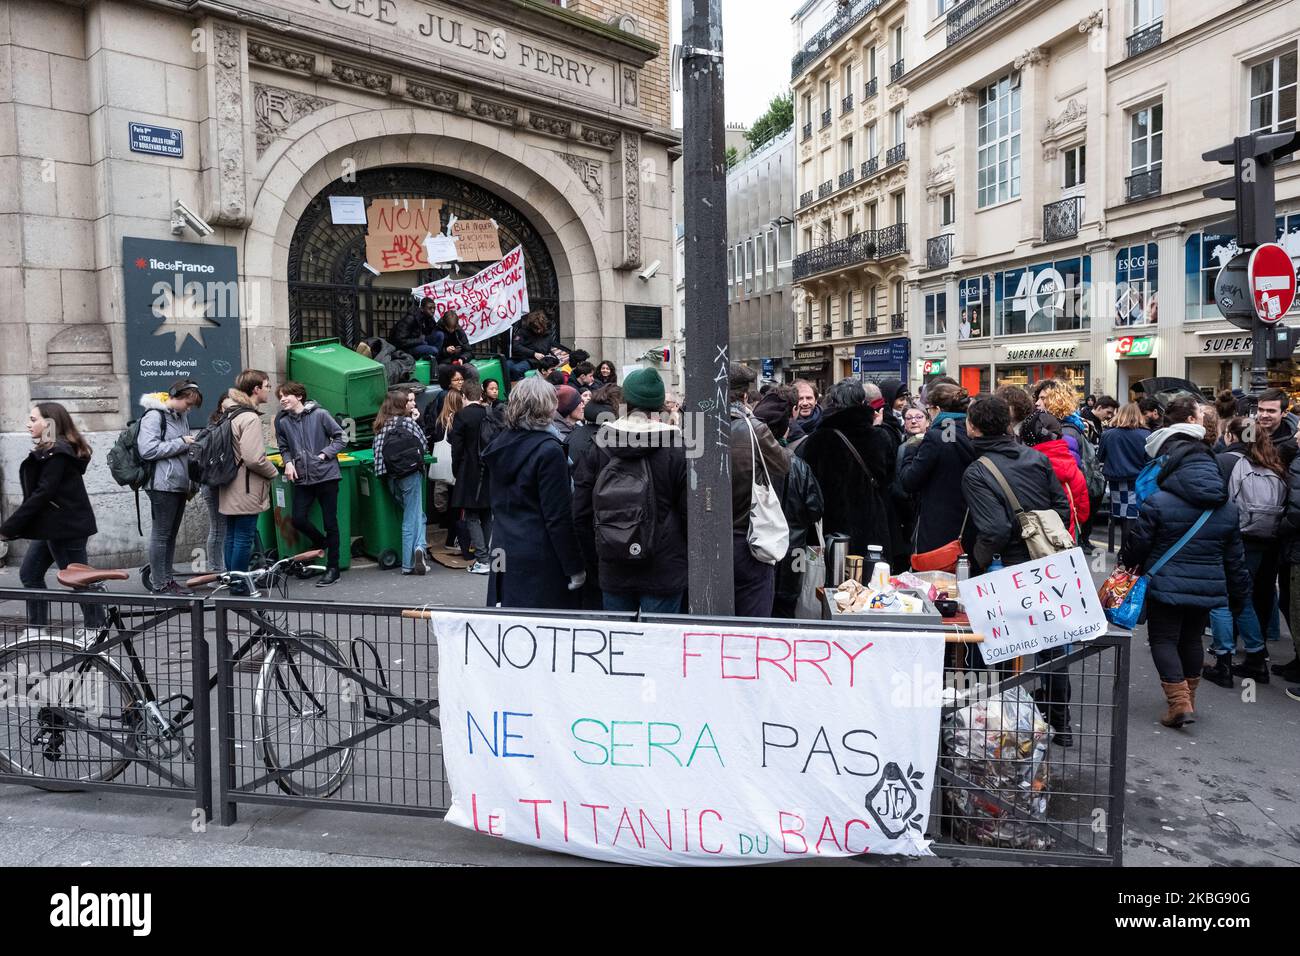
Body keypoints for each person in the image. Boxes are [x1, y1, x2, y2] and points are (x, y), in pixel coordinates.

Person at [1119, 396, 1251, 728]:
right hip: (1207, 584)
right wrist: (1238, 596)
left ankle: (1179, 702)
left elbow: (1136, 546)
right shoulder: (1227, 509)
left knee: (1163, 639)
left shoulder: (1159, 502)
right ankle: (1188, 699)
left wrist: (1126, 563)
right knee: (1192, 640)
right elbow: (1235, 559)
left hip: (1165, 581)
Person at [573, 367, 687, 613]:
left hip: (614, 565)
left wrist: (598, 557)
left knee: (619, 648)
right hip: (664, 568)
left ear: (624, 402)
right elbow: (690, 515)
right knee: (658, 645)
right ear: (659, 406)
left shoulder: (600, 445)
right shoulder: (677, 449)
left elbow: (581, 512)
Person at [481, 376, 585, 608]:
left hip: (503, 547)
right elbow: (558, 517)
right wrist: (574, 566)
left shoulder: (500, 444)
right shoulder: (549, 451)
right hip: (540, 556)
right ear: (548, 407)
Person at [0, 403, 103, 630]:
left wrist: (8, 527)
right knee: (30, 573)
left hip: (67, 528)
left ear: (49, 423)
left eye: (33, 419)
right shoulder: (52, 451)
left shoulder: (58, 454)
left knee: (78, 581)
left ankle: (97, 629)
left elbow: (42, 494)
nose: (28, 424)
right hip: (52, 527)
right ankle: (36, 629)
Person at [1203, 417, 1286, 686]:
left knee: (1222, 598)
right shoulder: (1274, 463)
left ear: (1231, 436)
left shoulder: (1227, 461)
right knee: (1244, 598)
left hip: (1232, 538)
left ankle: (1223, 662)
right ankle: (1256, 658)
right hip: (1264, 541)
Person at [960, 394, 1070, 574]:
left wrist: (978, 560)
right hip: (1047, 558)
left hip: (1006, 565)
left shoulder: (976, 472)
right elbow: (1061, 507)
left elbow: (996, 530)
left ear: (972, 426)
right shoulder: (1037, 457)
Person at [797, 378, 896, 566]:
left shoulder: (817, 440)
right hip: (872, 528)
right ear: (862, 402)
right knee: (871, 585)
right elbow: (889, 479)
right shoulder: (880, 437)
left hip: (832, 533)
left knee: (836, 587)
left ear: (833, 403)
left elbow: (807, 488)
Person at [753, 389, 825, 618]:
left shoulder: (748, 459)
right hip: (792, 552)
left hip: (755, 550)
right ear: (786, 427)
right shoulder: (798, 465)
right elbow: (815, 510)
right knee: (785, 611)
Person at [729, 364, 790, 616]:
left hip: (705, 541)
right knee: (753, 622)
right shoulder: (754, 428)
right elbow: (783, 465)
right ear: (745, 395)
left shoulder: (694, 426)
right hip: (748, 538)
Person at [274, 382, 347, 587]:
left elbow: (341, 438)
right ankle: (321, 543)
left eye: (286, 395)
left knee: (330, 523)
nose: (282, 399)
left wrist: (325, 454)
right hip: (302, 478)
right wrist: (288, 462)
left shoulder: (320, 414)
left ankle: (333, 568)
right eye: (279, 396)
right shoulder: (284, 422)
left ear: (299, 396)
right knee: (297, 519)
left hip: (326, 476)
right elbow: (283, 446)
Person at [138, 379, 202, 595]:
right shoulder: (154, 416)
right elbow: (147, 450)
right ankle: (160, 584)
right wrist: (182, 442)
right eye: (188, 403)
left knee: (170, 535)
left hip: (177, 483)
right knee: (161, 535)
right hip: (161, 484)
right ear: (175, 396)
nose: (189, 408)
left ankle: (167, 580)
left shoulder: (180, 416)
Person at [898, 383, 975, 557]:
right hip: (969, 523)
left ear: (937, 409)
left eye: (929, 409)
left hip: (937, 526)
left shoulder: (936, 436)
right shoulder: (974, 432)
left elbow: (909, 480)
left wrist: (911, 448)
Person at [217, 370, 278, 577]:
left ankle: (232, 580)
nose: (269, 390)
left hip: (229, 484)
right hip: (246, 486)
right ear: (256, 389)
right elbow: (254, 458)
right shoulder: (249, 417)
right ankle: (240, 584)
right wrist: (273, 472)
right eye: (267, 386)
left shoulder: (230, 413)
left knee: (232, 536)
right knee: (244, 537)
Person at [373, 388, 430, 576]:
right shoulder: (407, 423)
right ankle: (409, 561)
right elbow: (423, 444)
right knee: (411, 518)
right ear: (400, 405)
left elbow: (378, 456)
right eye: (407, 402)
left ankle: (419, 547)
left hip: (390, 476)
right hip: (411, 474)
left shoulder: (380, 425)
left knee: (416, 515)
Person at [1020, 411, 1090, 540]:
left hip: (1035, 541)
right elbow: (1083, 513)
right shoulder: (1073, 466)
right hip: (1066, 539)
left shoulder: (1026, 467)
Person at [449, 380, 493, 575]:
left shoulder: (462, 416)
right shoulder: (489, 414)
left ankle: (482, 559)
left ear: (464, 396)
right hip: (490, 469)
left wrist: (456, 470)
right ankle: (487, 557)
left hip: (470, 470)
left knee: (472, 515)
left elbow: (456, 448)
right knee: (486, 514)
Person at [1098, 402, 1151, 551]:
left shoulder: (1108, 434)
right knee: (1134, 515)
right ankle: (1128, 550)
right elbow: (1150, 459)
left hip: (1116, 480)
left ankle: (1123, 551)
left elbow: (1100, 457)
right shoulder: (1147, 435)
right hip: (1140, 480)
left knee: (1123, 515)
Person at [431, 387, 466, 556]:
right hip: (453, 467)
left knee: (446, 501)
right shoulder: (457, 421)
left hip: (440, 466)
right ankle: (452, 539)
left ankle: (449, 536)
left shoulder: (440, 421)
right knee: (456, 504)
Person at [507, 310, 565, 382]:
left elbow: (544, 350)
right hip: (518, 358)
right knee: (504, 366)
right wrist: (533, 353)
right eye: (535, 328)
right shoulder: (523, 332)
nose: (537, 331)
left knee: (516, 369)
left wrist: (533, 353)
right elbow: (516, 346)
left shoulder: (547, 336)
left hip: (533, 361)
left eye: (539, 328)